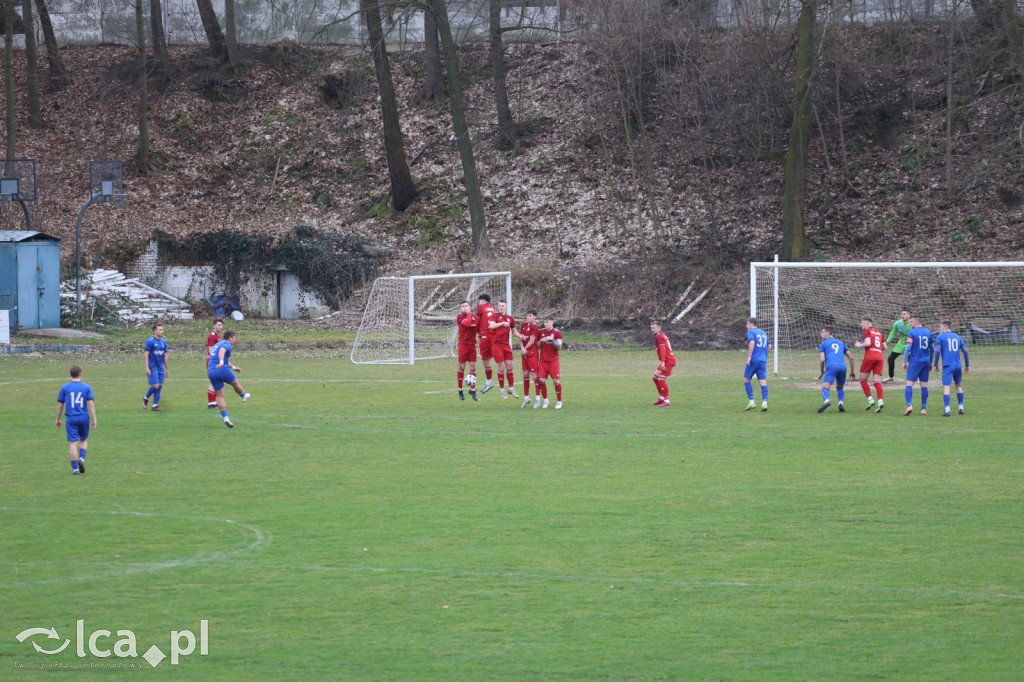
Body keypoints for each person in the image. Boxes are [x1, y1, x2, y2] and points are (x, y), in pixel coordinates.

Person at [56, 365, 98, 474]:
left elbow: (60, 405)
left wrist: (58, 419)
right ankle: (82, 458)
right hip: (83, 417)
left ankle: (75, 469)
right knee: (83, 440)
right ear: (80, 374)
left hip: (71, 418)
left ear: (70, 374)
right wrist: (94, 418)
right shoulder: (86, 387)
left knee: (73, 443)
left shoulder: (65, 388)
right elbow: (91, 404)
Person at [208, 330, 251, 428]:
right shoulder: (227, 344)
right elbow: (222, 351)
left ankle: (226, 418)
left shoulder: (217, 344)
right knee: (235, 383)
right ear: (230, 338)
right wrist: (222, 362)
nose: (234, 340)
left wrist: (234, 368)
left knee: (220, 396)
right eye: (234, 338)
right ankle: (243, 395)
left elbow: (223, 359)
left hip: (212, 371)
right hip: (221, 369)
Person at [933, 320, 970, 417]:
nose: (939, 328)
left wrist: (935, 364)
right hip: (957, 365)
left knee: (946, 387)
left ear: (945, 327)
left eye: (940, 326)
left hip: (947, 366)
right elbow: (965, 351)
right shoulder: (958, 337)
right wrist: (967, 365)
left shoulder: (940, 337)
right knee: (958, 385)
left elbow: (937, 351)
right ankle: (961, 408)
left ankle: (947, 410)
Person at [817, 327, 856, 413]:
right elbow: (851, 357)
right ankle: (840, 403)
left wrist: (821, 370)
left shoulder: (823, 344)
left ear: (828, 333)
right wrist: (852, 371)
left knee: (825, 387)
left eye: (822, 332)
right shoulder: (841, 343)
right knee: (840, 387)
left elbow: (822, 359)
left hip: (831, 367)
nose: (821, 334)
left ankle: (826, 401)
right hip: (842, 367)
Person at [854, 316, 887, 412]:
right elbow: (884, 347)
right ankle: (880, 401)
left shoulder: (866, 331)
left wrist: (859, 345)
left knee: (862, 379)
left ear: (867, 322)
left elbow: (868, 343)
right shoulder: (879, 332)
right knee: (877, 382)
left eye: (861, 322)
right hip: (880, 357)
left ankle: (870, 399)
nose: (860, 324)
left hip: (870, 357)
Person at [901, 315, 933, 415]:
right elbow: (932, 349)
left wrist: (904, 361)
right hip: (925, 361)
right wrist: (931, 362)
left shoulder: (912, 332)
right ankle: (923, 408)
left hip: (915, 361)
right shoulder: (928, 332)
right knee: (924, 385)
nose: (910, 323)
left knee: (909, 383)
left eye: (911, 322)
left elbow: (908, 348)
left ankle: (909, 405)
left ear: (916, 322)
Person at [489, 300, 519, 400]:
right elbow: (491, 326)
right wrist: (502, 323)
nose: (501, 307)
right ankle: (502, 390)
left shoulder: (510, 318)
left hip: (506, 346)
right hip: (497, 346)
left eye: (503, 306)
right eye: (499, 306)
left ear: (506, 307)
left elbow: (514, 331)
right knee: (501, 367)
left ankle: (511, 388)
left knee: (510, 366)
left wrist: (521, 336)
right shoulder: (494, 316)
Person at [743, 317, 771, 412]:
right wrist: (762, 354)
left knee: (746, 379)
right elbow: (769, 346)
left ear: (752, 324)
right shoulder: (763, 333)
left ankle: (751, 401)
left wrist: (749, 357)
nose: (746, 326)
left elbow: (752, 343)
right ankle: (764, 403)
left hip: (754, 360)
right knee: (763, 382)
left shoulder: (751, 332)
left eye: (747, 324)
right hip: (763, 361)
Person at [537, 317, 564, 409]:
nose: (545, 324)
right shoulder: (540, 332)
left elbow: (559, 347)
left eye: (547, 322)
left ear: (552, 322)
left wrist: (552, 340)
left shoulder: (557, 333)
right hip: (543, 361)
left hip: (553, 361)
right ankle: (546, 400)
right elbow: (538, 346)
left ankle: (559, 401)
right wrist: (540, 341)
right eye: (544, 322)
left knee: (555, 381)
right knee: (540, 380)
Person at [516, 310, 540, 408]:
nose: (528, 317)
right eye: (527, 316)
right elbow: (521, 338)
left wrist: (524, 349)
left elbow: (532, 340)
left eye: (530, 316)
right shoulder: (523, 325)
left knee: (534, 375)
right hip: (524, 353)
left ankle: (538, 398)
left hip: (532, 353)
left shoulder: (534, 326)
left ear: (535, 317)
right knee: (525, 374)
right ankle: (526, 397)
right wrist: (522, 348)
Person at [455, 301, 479, 402]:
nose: (465, 307)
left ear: (469, 306)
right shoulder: (460, 317)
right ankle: (460, 390)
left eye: (466, 306)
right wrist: (468, 313)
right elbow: (468, 324)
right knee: (462, 367)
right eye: (463, 306)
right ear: (461, 308)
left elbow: (478, 329)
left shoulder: (475, 317)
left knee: (473, 366)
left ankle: (472, 390)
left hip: (472, 345)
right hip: (463, 345)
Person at [143, 323, 169, 412]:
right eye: (160, 330)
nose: (162, 331)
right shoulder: (150, 341)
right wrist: (147, 367)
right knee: (156, 385)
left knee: (159, 386)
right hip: (152, 366)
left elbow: (165, 356)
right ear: (155, 331)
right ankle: (145, 398)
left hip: (160, 367)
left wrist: (167, 369)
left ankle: (155, 405)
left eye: (162, 329)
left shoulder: (164, 342)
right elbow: (146, 354)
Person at [651, 321, 677, 407]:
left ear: (659, 328)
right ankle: (662, 398)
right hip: (666, 360)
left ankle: (667, 401)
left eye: (653, 328)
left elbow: (663, 350)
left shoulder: (659, 336)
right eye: (651, 328)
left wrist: (662, 362)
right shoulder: (660, 335)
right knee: (655, 378)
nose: (652, 329)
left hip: (668, 361)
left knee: (661, 379)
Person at [475, 294, 496, 393]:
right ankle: (490, 381)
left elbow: (477, 322)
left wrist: (475, 333)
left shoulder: (481, 307)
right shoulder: (491, 308)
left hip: (485, 336)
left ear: (482, 301)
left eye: (479, 301)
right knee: (488, 359)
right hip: (492, 336)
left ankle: (489, 381)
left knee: (484, 359)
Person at [885, 309, 912, 382]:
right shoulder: (897, 323)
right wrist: (887, 342)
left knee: (911, 360)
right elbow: (893, 333)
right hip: (901, 344)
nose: (903, 316)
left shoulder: (912, 324)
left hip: (911, 344)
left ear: (909, 316)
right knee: (890, 358)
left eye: (905, 314)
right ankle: (891, 377)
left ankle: (914, 377)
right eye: (902, 314)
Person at [206, 318, 224, 408]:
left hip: (214, 361)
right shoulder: (212, 336)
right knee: (213, 381)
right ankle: (211, 403)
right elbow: (211, 349)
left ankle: (212, 402)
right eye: (218, 325)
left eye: (221, 325)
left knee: (214, 381)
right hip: (212, 361)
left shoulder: (217, 335)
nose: (221, 327)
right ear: (214, 326)